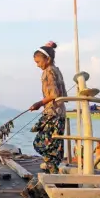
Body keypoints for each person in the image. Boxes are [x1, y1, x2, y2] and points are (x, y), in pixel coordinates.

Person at [29, 41, 67, 174]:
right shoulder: (57, 70)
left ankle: (52, 169)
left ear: (47, 59)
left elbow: (54, 94)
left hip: (53, 113)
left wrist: (39, 103)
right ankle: (52, 169)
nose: (38, 65)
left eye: (39, 62)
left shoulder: (48, 71)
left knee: (40, 144)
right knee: (55, 144)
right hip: (59, 113)